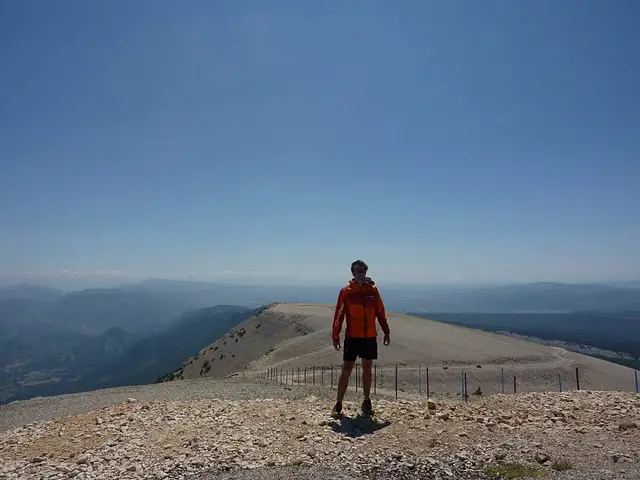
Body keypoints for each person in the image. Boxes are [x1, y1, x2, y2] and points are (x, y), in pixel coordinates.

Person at [332, 259, 390, 416]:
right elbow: (339, 314)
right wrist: (335, 335)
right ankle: (338, 403)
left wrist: (386, 331)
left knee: (368, 369)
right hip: (353, 337)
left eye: (363, 271)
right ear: (353, 273)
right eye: (358, 272)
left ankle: (366, 400)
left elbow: (380, 311)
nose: (361, 274)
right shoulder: (346, 292)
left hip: (369, 337)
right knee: (346, 370)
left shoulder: (373, 290)